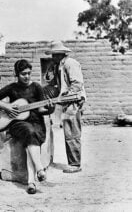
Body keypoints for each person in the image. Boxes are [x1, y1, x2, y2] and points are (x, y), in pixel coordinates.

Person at [0, 59, 53, 194]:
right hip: (17, 123)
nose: (27, 76)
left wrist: (51, 110)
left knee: (32, 135)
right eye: (23, 74)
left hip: (36, 122)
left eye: (29, 73)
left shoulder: (36, 87)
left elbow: (41, 110)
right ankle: (39, 169)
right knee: (29, 131)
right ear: (16, 74)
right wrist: (6, 106)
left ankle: (31, 183)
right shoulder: (12, 88)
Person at [45, 41, 86, 173]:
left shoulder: (70, 63)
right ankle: (73, 162)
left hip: (73, 101)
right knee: (68, 131)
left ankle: (75, 164)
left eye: (54, 55)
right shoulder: (59, 66)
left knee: (72, 132)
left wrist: (66, 97)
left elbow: (77, 84)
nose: (52, 57)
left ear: (60, 54)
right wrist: (51, 69)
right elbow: (51, 82)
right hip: (67, 101)